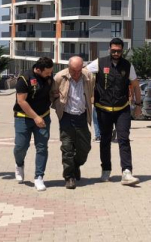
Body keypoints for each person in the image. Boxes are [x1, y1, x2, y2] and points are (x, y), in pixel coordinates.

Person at [86, 38, 143, 186]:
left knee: (124, 139)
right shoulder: (99, 63)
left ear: (122, 50)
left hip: (122, 109)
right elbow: (84, 74)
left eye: (118, 51)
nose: (116, 53)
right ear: (109, 49)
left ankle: (127, 172)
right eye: (113, 50)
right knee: (105, 140)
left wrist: (138, 105)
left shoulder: (128, 66)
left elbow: (136, 85)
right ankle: (106, 169)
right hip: (103, 109)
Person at [52, 56, 95, 189]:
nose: (76, 74)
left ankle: (76, 164)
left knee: (85, 147)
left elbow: (92, 92)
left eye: (78, 71)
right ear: (68, 68)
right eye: (73, 71)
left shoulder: (88, 77)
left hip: (81, 116)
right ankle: (69, 177)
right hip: (66, 117)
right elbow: (52, 95)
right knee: (67, 148)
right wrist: (57, 103)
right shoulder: (59, 77)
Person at [13, 57, 54, 191]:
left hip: (43, 116)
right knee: (21, 146)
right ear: (38, 69)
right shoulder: (24, 79)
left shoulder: (49, 77)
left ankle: (39, 177)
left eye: (51, 72)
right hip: (23, 118)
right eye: (47, 72)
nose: (49, 74)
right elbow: (21, 101)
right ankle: (19, 164)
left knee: (42, 147)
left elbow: (49, 91)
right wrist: (35, 117)